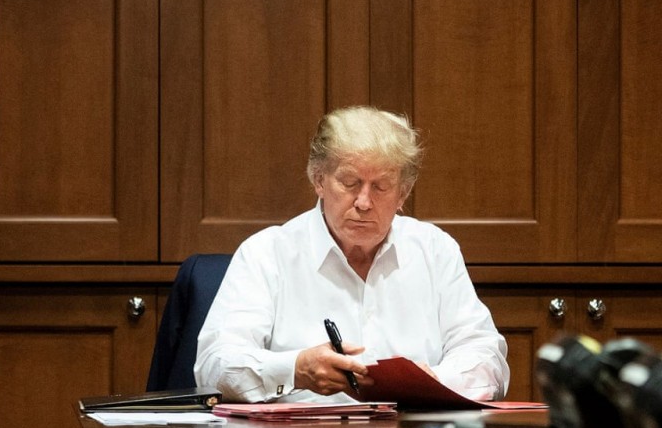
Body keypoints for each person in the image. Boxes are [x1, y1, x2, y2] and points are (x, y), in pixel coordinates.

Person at [194, 106, 510, 403]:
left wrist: (435, 380)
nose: (363, 201)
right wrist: (295, 369)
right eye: (350, 183)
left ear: (404, 192)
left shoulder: (434, 250)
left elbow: (486, 356)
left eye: (381, 187)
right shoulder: (267, 253)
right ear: (318, 180)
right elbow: (214, 365)